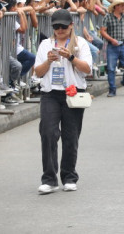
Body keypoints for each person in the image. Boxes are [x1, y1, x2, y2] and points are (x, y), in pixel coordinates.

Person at [34, 10, 92, 194]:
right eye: (56, 27)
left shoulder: (80, 43)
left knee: (71, 136)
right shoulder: (46, 44)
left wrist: (70, 57)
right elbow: (38, 72)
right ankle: (49, 179)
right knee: (48, 133)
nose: (59, 30)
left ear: (71, 26)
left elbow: (87, 69)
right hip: (50, 93)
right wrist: (49, 61)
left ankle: (69, 176)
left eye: (63, 27)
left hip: (73, 93)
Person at [100, 0, 124, 97]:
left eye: (123, 5)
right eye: (121, 5)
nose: (123, 7)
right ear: (115, 7)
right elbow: (102, 31)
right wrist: (111, 40)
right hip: (112, 46)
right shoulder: (108, 17)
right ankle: (112, 89)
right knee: (111, 68)